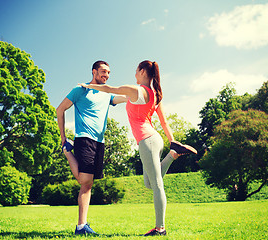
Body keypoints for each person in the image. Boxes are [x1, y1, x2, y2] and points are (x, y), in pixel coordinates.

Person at [80, 60, 197, 236]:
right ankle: (173, 154)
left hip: (147, 140)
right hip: (153, 140)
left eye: (136, 70)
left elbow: (111, 89)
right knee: (149, 183)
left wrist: (87, 86)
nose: (134, 74)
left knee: (157, 185)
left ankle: (160, 228)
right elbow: (163, 122)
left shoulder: (136, 90)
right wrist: (172, 142)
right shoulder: (155, 94)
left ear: (142, 71)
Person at [56, 60, 126, 235]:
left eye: (109, 72)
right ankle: (67, 151)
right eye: (103, 71)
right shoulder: (80, 90)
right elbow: (60, 110)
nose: (106, 75)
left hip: (99, 142)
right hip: (84, 138)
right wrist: (63, 137)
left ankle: (82, 226)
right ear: (94, 71)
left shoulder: (106, 93)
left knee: (88, 183)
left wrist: (139, 92)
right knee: (84, 181)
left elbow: (122, 97)